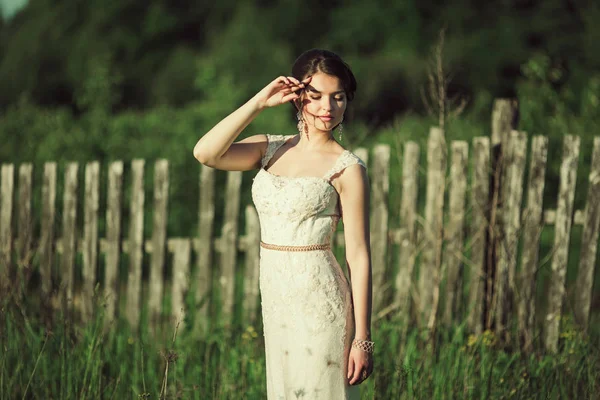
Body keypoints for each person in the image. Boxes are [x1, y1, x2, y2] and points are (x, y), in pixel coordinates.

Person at [193, 49, 374, 399]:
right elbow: (206, 153)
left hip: (322, 302)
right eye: (316, 96)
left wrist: (362, 338)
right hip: (276, 301)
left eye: (338, 97)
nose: (328, 107)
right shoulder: (269, 149)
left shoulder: (348, 168)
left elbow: (359, 255)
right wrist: (259, 102)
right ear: (297, 97)